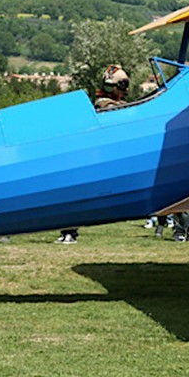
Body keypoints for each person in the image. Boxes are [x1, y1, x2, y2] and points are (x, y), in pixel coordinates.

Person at [58, 65, 131, 244]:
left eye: (109, 87)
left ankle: (184, 221)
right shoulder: (106, 105)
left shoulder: (115, 106)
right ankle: (69, 231)